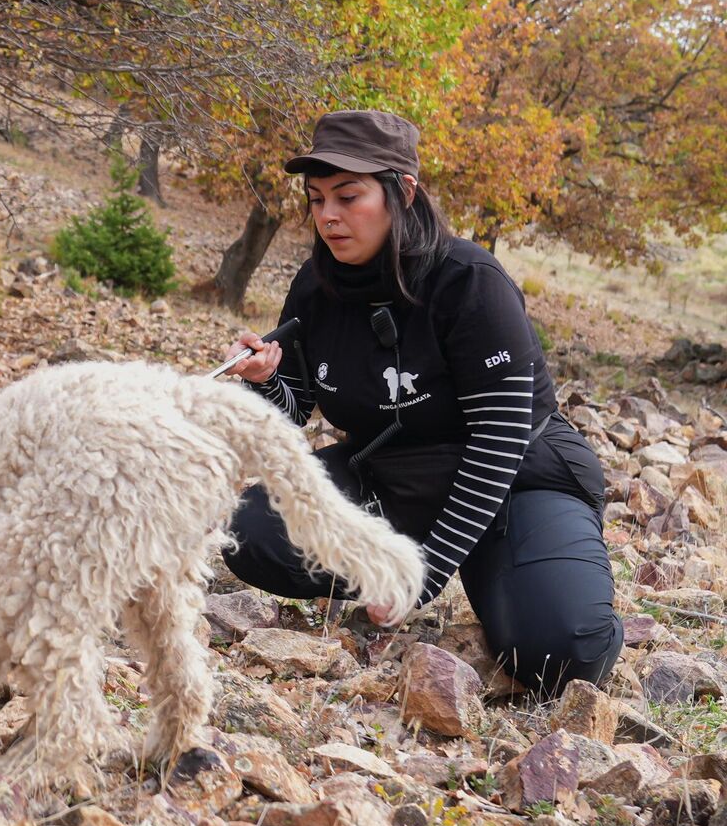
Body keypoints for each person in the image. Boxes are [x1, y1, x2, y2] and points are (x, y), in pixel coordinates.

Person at [225, 109, 622, 697]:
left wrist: (423, 573)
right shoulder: (315, 286)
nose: (328, 216)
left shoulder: (469, 281)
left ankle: (514, 564)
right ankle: (473, 569)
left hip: (516, 479)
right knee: (251, 531)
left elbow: (500, 439)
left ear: (403, 192)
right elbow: (294, 413)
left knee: (560, 652)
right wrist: (263, 380)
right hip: (392, 480)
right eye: (316, 199)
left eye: (348, 197)